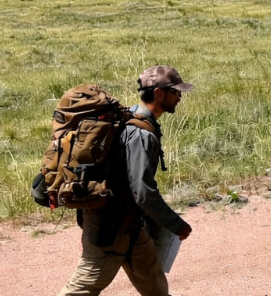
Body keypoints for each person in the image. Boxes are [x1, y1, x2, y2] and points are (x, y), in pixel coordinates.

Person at [59, 66, 194, 296]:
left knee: (156, 288)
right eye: (175, 91)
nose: (179, 96)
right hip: (110, 229)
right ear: (159, 93)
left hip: (132, 226)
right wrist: (174, 224)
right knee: (82, 288)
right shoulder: (142, 134)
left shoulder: (131, 118)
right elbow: (142, 191)